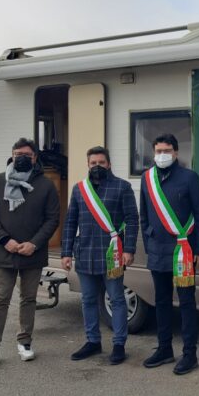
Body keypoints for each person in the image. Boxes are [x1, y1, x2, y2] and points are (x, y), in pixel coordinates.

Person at [0, 137, 60, 369]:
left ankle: (25, 342)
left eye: (26, 154)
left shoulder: (46, 185)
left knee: (29, 299)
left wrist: (34, 243)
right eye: (17, 154)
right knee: (0, 299)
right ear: (12, 156)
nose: (21, 158)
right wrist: (5, 240)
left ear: (35, 157)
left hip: (32, 253)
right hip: (4, 253)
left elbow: (52, 219)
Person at [61, 146, 139, 365]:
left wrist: (129, 249)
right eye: (93, 163)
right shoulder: (79, 189)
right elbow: (70, 222)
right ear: (88, 164)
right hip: (85, 252)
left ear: (109, 164)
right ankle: (93, 342)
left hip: (112, 253)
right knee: (87, 300)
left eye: (101, 163)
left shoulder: (122, 187)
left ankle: (119, 344)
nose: (97, 166)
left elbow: (133, 219)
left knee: (116, 299)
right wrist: (66, 252)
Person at [139, 133, 199, 375]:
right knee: (161, 301)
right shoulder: (147, 179)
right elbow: (143, 215)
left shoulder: (189, 177)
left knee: (187, 302)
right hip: (157, 250)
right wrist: (148, 243)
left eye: (167, 150)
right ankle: (164, 348)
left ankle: (190, 354)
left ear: (176, 153)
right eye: (158, 151)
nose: (162, 155)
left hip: (183, 251)